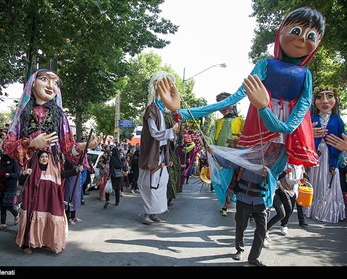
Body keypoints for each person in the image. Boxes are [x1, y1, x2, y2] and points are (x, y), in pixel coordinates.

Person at [180, 7, 326, 182]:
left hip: (289, 129)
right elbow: (237, 95)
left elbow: (303, 105)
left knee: (281, 173)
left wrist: (280, 121)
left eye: (311, 36)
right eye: (296, 31)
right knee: (252, 167)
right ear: (281, 32)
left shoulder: (306, 75)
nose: (302, 38)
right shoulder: (265, 64)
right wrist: (186, 112)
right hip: (262, 124)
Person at [2, 69, 100, 254]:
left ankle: (50, 240)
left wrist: (82, 147)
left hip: (53, 168)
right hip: (32, 167)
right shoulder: (23, 113)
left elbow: (67, 146)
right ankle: (29, 241)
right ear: (33, 83)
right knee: (31, 201)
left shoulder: (60, 116)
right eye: (45, 79)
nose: (49, 86)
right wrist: (31, 143)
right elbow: (7, 144)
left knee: (52, 202)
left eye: (54, 83)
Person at [207, 142, 285, 266]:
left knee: (261, 230)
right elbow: (226, 162)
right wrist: (213, 153)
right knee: (241, 227)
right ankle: (239, 249)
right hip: (244, 199)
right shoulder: (243, 158)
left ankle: (253, 258)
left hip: (260, 201)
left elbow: (276, 175)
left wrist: (268, 174)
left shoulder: (269, 160)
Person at [137, 71, 180, 225]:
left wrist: (174, 132)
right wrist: (171, 131)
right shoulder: (152, 109)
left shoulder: (164, 111)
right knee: (149, 184)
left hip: (162, 155)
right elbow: (154, 133)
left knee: (161, 183)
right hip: (152, 155)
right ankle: (147, 214)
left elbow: (169, 136)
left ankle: (154, 212)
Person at [306, 85, 346, 223]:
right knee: (314, 182)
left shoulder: (337, 120)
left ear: (335, 100)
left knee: (329, 184)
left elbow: (341, 141)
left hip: (331, 157)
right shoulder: (310, 118)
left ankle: (329, 212)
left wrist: (335, 161)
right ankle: (313, 210)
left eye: (329, 97)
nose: (324, 101)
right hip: (315, 157)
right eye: (319, 97)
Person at [212, 92, 244, 216]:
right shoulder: (218, 122)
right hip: (220, 158)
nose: (223, 108)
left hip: (234, 158)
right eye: (220, 105)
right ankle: (226, 202)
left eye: (226, 104)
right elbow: (214, 139)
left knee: (232, 181)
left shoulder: (241, 121)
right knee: (221, 181)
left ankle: (227, 204)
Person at [0, 152, 20, 231]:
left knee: (8, 204)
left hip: (11, 185)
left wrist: (9, 175)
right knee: (2, 204)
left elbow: (17, 174)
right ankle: (3, 223)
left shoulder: (14, 161)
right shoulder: (1, 159)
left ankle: (16, 214)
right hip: (2, 184)